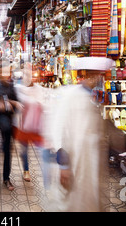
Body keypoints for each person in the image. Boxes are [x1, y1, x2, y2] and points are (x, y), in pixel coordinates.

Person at [42, 57, 113, 212]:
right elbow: (58, 128)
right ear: (86, 75)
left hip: (89, 165)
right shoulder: (69, 96)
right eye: (94, 75)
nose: (97, 79)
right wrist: (64, 165)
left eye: (99, 75)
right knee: (69, 203)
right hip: (74, 165)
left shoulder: (91, 99)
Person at [0, 61, 21, 191]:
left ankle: (6, 178)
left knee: (7, 150)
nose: (5, 74)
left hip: (8, 122)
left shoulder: (11, 86)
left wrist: (13, 104)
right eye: (3, 71)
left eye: (7, 72)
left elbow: (17, 103)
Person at [13, 64, 44, 182]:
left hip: (37, 125)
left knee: (41, 148)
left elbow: (42, 102)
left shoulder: (38, 89)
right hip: (23, 125)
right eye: (26, 74)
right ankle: (26, 170)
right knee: (24, 149)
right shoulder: (18, 88)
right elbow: (20, 103)